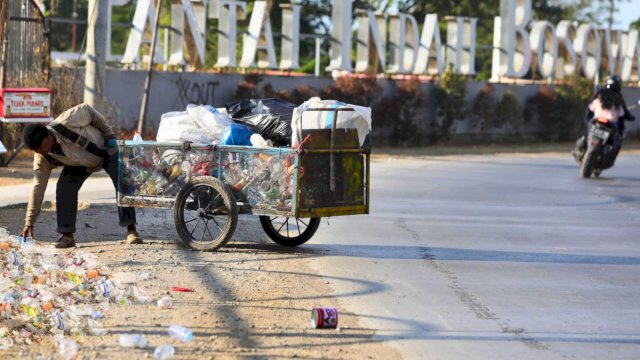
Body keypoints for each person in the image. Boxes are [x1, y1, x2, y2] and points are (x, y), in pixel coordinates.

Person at [19, 103, 143, 248]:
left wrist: (109, 134)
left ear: (47, 137)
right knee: (64, 188)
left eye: (39, 147)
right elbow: (38, 188)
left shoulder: (66, 122)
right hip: (78, 163)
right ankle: (67, 236)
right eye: (36, 150)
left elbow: (88, 110)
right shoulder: (42, 157)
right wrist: (29, 222)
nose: (39, 152)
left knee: (122, 180)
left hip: (105, 149)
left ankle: (131, 230)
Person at [573, 75, 635, 161]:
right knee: (616, 137)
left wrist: (587, 122)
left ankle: (584, 142)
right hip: (610, 125)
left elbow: (590, 111)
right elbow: (623, 115)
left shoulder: (599, 95)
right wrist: (631, 117)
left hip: (596, 122)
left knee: (587, 132)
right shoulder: (618, 99)